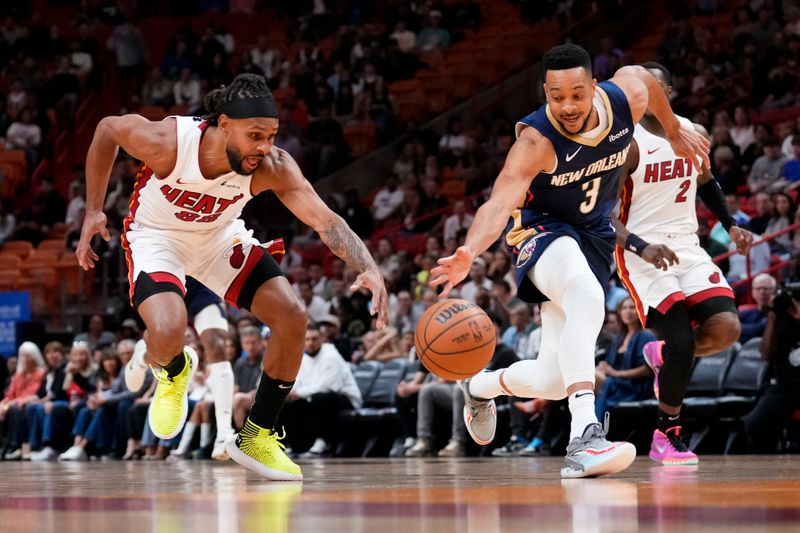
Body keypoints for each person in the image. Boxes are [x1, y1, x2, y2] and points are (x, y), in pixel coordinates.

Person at [77, 73, 389, 481]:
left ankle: (257, 435)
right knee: (170, 329)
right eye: (255, 135)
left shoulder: (271, 166)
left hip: (218, 239)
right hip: (158, 238)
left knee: (292, 317)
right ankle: (173, 370)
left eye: (271, 135)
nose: (264, 147)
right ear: (224, 124)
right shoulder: (169, 143)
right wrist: (93, 210)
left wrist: (369, 266)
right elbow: (106, 131)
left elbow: (325, 221)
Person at [430, 44, 710, 478]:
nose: (567, 105)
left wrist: (672, 130)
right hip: (541, 230)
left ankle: (479, 386)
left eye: (577, 94)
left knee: (552, 380)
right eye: (556, 96)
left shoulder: (625, 99)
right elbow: (498, 203)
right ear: (545, 92)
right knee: (584, 293)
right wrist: (470, 250)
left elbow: (649, 82)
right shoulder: (536, 141)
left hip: (594, 234)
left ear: (594, 88)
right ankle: (585, 437)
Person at [610, 63, 752, 466]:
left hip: (687, 246)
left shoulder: (695, 133)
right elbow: (602, 213)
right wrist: (639, 246)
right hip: (641, 253)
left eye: (652, 87)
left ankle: (661, 355)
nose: (644, 94)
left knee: (726, 330)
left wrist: (730, 223)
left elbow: (705, 181)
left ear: (667, 92)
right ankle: (666, 435)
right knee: (684, 341)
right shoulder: (627, 143)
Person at [741, 284, 800, 452]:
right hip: (785, 385)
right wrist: (773, 317)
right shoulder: (781, 319)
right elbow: (767, 353)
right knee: (753, 424)